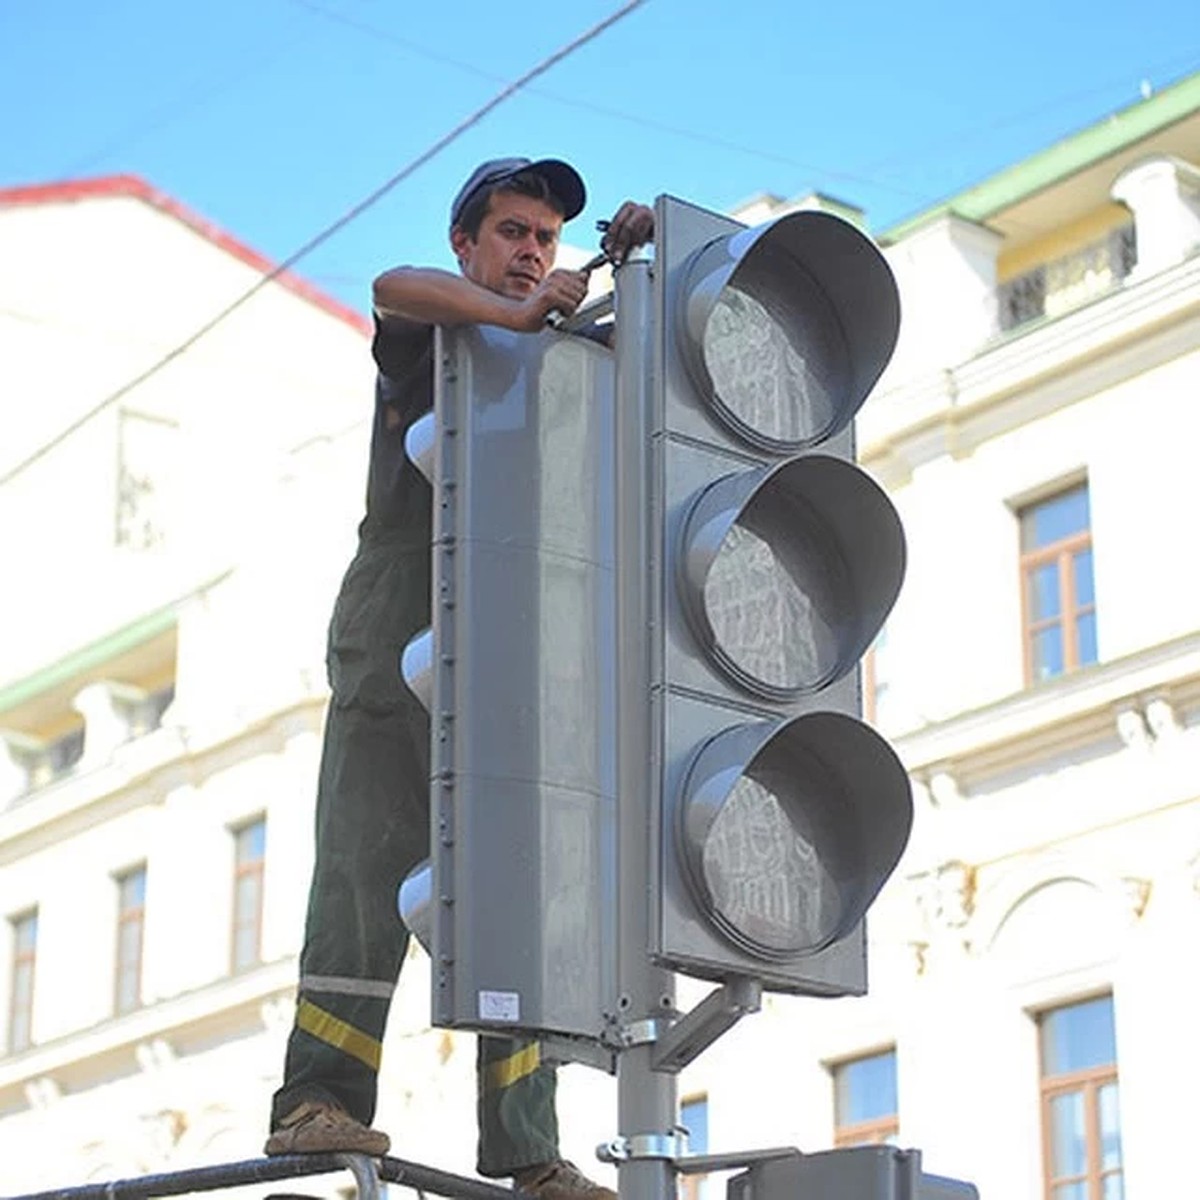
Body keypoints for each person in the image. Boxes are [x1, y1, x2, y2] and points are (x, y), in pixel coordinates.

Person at [265, 157, 654, 1200]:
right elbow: (391, 288)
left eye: (546, 239)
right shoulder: (436, 329)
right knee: (369, 859)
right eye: (512, 232)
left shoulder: (565, 352)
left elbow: (656, 371)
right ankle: (318, 1101)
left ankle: (526, 1148)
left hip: (514, 627)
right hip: (402, 611)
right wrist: (512, 317)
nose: (532, 253)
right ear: (468, 245)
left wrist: (648, 258)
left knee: (519, 879)